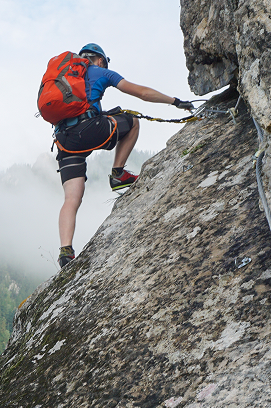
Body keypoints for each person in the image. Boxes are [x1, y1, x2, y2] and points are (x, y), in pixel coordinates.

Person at [55, 43, 192, 268]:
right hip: (88, 131)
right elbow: (142, 93)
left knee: (71, 199)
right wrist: (175, 101)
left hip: (64, 141)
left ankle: (65, 252)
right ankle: (118, 173)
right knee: (133, 121)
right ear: (100, 60)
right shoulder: (100, 71)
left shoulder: (66, 79)